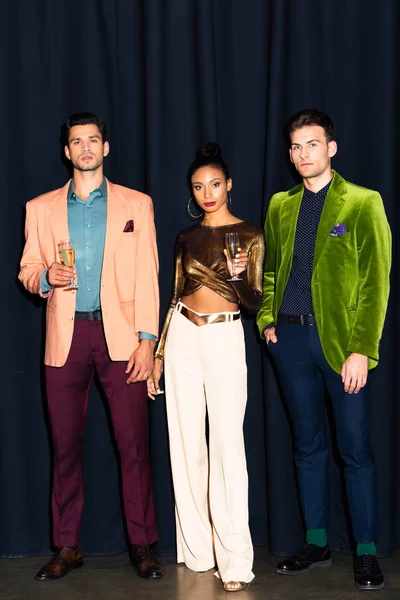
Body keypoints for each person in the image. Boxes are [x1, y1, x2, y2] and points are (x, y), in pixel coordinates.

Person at [19, 112, 163, 581]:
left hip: (120, 338)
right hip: (66, 337)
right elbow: (26, 269)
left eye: (92, 140)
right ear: (67, 151)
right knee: (64, 446)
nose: (85, 148)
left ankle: (142, 545)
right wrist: (43, 276)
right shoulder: (39, 208)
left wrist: (148, 340)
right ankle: (67, 545)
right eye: (76, 141)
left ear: (105, 148)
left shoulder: (136, 204)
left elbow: (148, 274)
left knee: (134, 446)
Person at [257, 109, 391, 591]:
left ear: (331, 148)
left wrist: (362, 350)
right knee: (307, 446)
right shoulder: (279, 205)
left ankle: (366, 551)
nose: (302, 154)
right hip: (290, 341)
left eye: (311, 144)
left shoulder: (362, 202)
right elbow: (271, 272)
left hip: (341, 347)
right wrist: (268, 321)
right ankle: (315, 541)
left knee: (355, 450)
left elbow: (377, 284)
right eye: (295, 147)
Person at [148, 142, 264, 592]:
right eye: (198, 186)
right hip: (182, 333)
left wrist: (238, 276)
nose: (207, 193)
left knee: (228, 446)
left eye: (214, 184)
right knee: (185, 442)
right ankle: (198, 550)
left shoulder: (249, 234)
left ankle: (235, 561)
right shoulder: (186, 237)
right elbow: (174, 295)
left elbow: (254, 303)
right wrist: (157, 356)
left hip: (223, 333)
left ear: (229, 184)